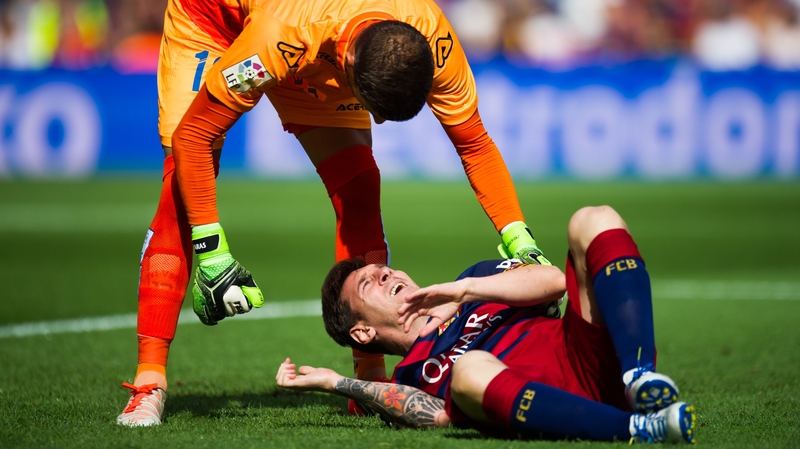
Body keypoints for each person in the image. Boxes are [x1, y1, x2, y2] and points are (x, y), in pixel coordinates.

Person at [117, 0, 551, 427]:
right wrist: (212, 252)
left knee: (360, 187)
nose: (376, 123)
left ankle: (369, 376)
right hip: (213, 20)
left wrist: (521, 241)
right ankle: (148, 383)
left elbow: (473, 142)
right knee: (182, 188)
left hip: (316, 42)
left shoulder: (431, 30)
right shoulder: (280, 34)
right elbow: (195, 134)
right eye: (373, 108)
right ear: (349, 62)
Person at [276, 205, 697, 443]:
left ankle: (639, 375)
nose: (385, 274)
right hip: (545, 403)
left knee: (593, 218)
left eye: (385, 269)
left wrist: (463, 292)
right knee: (469, 368)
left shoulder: (473, 282)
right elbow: (434, 416)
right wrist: (336, 383)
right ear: (363, 332)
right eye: (369, 283)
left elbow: (553, 283)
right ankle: (640, 427)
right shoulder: (410, 375)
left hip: (586, 354)